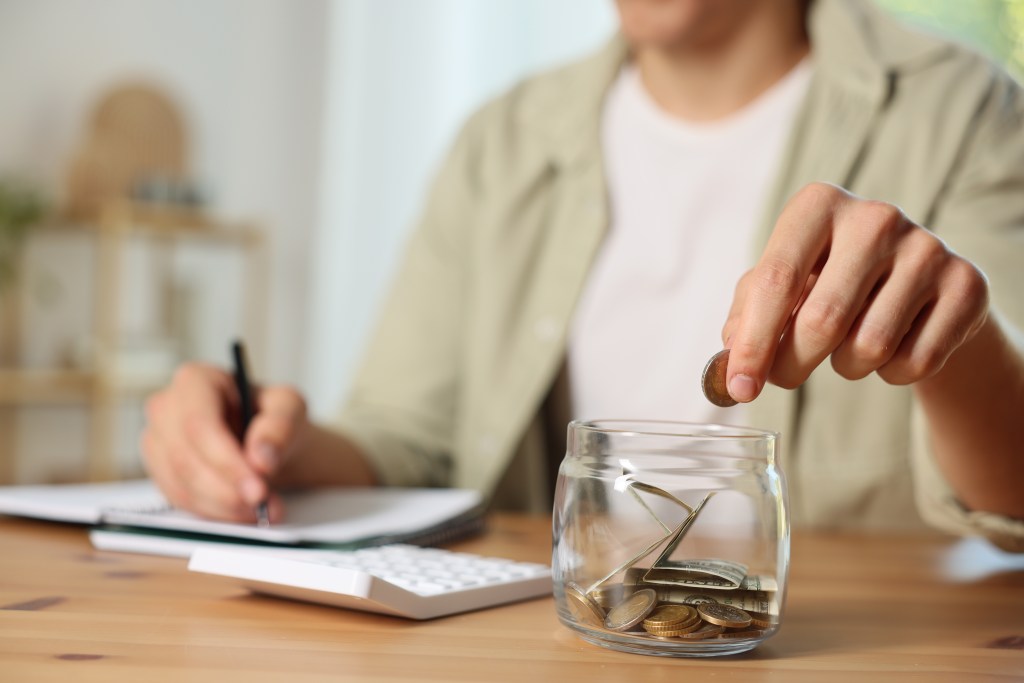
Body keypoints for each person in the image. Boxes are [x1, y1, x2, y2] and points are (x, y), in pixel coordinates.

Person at [141, 0, 1024, 551]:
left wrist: (958, 342)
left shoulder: (961, 109)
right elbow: (405, 444)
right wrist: (270, 449)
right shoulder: (502, 140)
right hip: (563, 638)